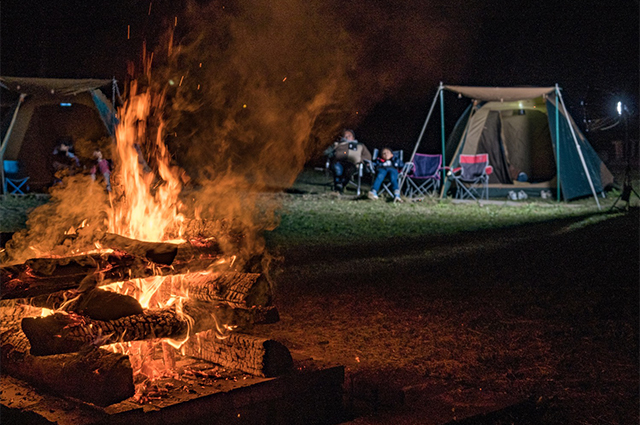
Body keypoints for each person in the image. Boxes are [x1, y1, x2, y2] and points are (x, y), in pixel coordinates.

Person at [324, 129, 371, 193]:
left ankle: (340, 186)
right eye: (345, 136)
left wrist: (361, 161)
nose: (347, 137)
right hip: (339, 162)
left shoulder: (360, 145)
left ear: (353, 137)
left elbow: (367, 156)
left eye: (349, 135)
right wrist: (332, 151)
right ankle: (338, 187)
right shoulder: (337, 144)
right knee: (338, 169)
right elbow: (325, 152)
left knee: (349, 170)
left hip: (352, 163)